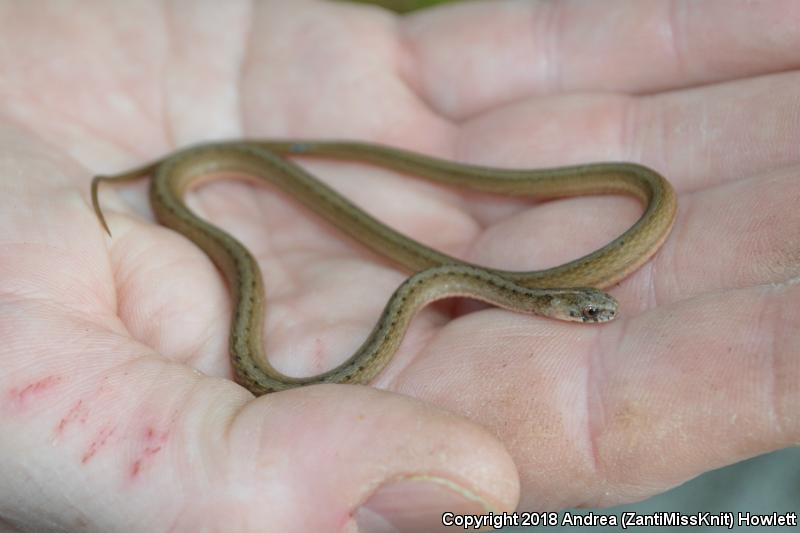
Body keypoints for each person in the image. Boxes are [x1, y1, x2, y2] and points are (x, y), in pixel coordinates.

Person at [1, 1, 797, 531]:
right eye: (587, 310)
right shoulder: (488, 290)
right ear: (556, 307)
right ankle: (194, 174)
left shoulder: (493, 282)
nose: (596, 312)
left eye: (586, 309)